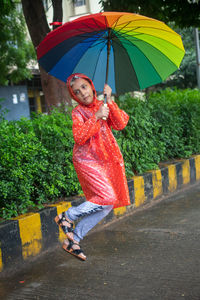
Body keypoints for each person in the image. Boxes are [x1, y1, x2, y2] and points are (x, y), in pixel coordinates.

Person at [55, 73, 130, 261]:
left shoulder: (103, 104)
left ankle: (74, 240)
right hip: (86, 160)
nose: (82, 93)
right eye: (77, 91)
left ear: (91, 86)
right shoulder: (77, 112)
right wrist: (96, 117)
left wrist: (110, 101)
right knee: (107, 197)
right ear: (74, 96)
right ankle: (68, 216)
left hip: (104, 160)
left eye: (84, 87)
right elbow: (79, 137)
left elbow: (120, 123)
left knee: (106, 205)